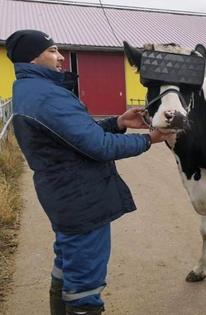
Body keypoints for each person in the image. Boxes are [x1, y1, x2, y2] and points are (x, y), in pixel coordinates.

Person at [5, 29, 173, 315]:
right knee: (85, 285)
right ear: (33, 58)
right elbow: (98, 146)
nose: (60, 58)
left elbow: (77, 137)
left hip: (65, 196)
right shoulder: (47, 97)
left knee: (67, 264)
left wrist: (117, 122)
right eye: (53, 51)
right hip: (80, 199)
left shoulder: (33, 91)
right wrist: (149, 139)